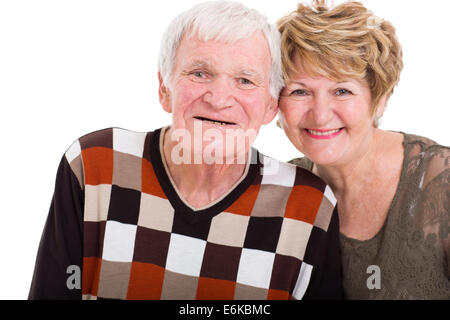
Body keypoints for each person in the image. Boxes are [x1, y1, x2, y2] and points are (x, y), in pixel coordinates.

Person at [29, 1, 343, 300]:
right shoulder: (94, 164)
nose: (219, 99)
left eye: (245, 80)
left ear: (270, 106)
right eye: (199, 73)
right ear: (164, 89)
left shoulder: (308, 205)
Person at [277, 0, 449, 299]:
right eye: (299, 91)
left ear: (379, 99)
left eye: (342, 91)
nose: (320, 114)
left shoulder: (440, 180)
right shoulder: (279, 190)